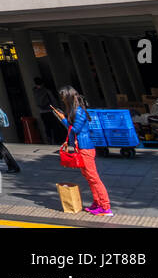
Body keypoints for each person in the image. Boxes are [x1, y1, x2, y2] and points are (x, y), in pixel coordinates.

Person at [53, 85, 111, 216]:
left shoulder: (78, 111)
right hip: (82, 148)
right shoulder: (76, 111)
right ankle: (97, 203)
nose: (62, 100)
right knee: (89, 177)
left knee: (94, 178)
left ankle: (105, 206)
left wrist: (62, 118)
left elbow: (74, 129)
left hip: (85, 148)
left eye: (63, 97)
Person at [32, 77, 63, 145]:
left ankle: (49, 140)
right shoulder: (46, 90)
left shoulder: (35, 91)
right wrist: (57, 108)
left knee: (47, 127)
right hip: (49, 110)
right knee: (54, 126)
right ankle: (57, 140)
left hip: (42, 111)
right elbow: (53, 100)